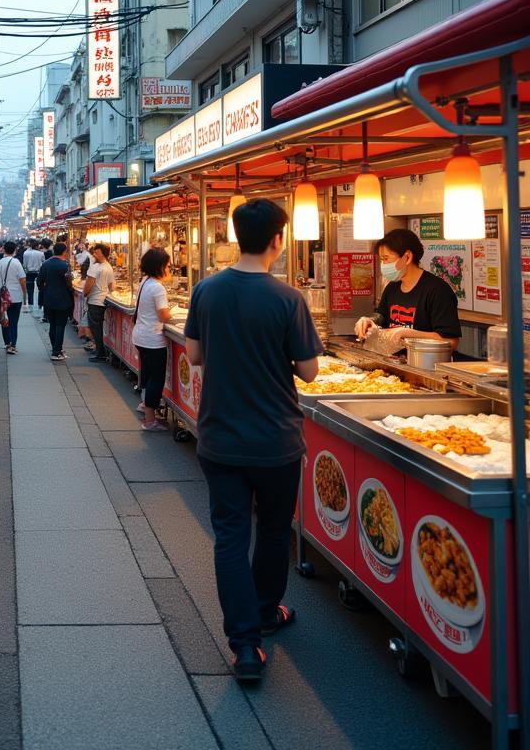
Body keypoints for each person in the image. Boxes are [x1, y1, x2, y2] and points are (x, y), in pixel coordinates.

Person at [185, 199, 323, 684]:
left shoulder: (206, 290)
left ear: (234, 236)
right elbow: (308, 371)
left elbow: (195, 355)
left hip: (220, 435)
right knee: (271, 531)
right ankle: (266, 611)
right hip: (276, 440)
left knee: (229, 536)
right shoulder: (289, 299)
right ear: (278, 240)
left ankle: (245, 646)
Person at [354, 228, 461, 350]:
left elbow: (451, 341)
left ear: (407, 258)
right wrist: (369, 321)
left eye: (386, 259)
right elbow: (381, 317)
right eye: (382, 260)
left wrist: (408, 333)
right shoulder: (392, 287)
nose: (383, 265)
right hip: (394, 363)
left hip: (425, 365)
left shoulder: (437, 290)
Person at [132, 248, 173, 432]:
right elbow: (164, 316)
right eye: (167, 265)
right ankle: (150, 420)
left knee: (148, 374)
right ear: (160, 266)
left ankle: (144, 404)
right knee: (156, 378)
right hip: (152, 339)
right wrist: (172, 312)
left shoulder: (145, 281)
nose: (169, 268)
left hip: (141, 335)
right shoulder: (157, 287)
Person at [38, 242, 74, 361]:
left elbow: (39, 281)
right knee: (60, 325)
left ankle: (55, 348)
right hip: (63, 299)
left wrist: (45, 290)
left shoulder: (46, 264)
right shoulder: (65, 266)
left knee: (52, 324)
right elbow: (69, 284)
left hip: (48, 299)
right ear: (64, 252)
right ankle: (56, 351)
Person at [84, 243, 114, 363]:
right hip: (103, 300)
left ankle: (100, 353)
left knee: (95, 328)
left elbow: (89, 285)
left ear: (102, 253)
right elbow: (111, 285)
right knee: (98, 327)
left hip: (95, 301)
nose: (94, 254)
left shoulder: (95, 268)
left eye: (96, 252)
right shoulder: (108, 266)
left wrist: (85, 294)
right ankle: (99, 350)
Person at [0, 240, 27, 354]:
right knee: (14, 321)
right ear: (15, 250)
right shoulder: (16, 262)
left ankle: (7, 342)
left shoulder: (0, 262)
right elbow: (22, 279)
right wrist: (25, 294)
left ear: (4, 249)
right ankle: (13, 345)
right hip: (15, 296)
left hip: (3, 296)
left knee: (4, 319)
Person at [22, 240, 45, 316]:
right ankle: (40, 305)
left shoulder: (25, 253)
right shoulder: (41, 253)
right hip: (39, 273)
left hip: (29, 273)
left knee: (30, 290)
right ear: (37, 246)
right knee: (40, 289)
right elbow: (43, 263)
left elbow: (24, 265)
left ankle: (31, 305)